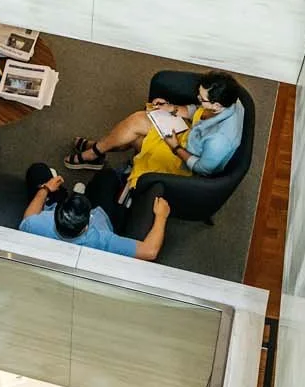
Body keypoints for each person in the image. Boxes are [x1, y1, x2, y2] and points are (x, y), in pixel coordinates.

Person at [66, 73, 248, 200]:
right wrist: (173, 108)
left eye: (201, 98)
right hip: (190, 136)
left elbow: (202, 169)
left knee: (135, 137)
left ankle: (96, 151)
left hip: (186, 159)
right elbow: (198, 111)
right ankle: (98, 150)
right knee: (137, 122)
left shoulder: (219, 142)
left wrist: (175, 147)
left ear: (216, 105)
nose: (197, 99)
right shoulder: (229, 101)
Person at [20, 165, 170, 261]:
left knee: (37, 170)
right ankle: (114, 180)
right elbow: (150, 251)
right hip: (103, 217)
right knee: (107, 176)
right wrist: (161, 216)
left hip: (54, 208)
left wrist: (45, 189)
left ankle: (64, 193)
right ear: (86, 225)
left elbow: (28, 218)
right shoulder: (102, 239)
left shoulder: (39, 224)